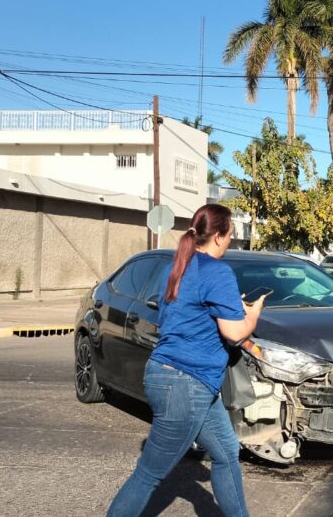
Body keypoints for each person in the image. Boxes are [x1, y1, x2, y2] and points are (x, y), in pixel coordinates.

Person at [107, 204, 266, 517]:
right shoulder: (217, 271)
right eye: (231, 234)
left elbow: (181, 318)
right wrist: (254, 314)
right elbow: (234, 334)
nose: (231, 240)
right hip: (185, 384)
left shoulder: (178, 267)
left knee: (226, 452)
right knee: (149, 474)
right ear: (219, 236)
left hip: (179, 379)